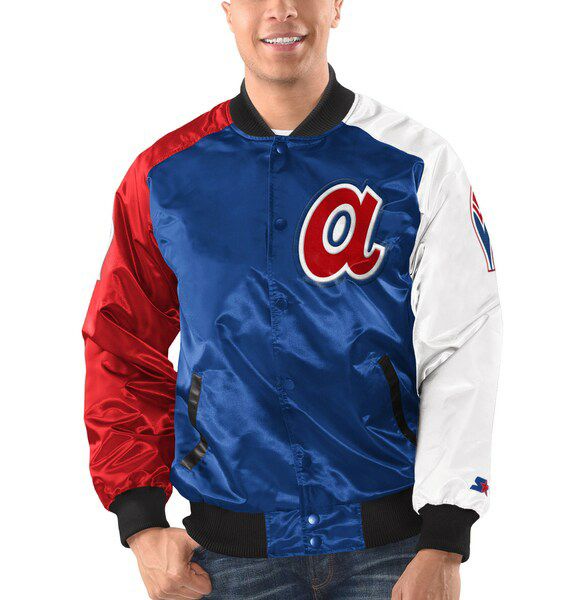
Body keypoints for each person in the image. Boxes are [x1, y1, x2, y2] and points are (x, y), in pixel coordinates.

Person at [82, 1, 502, 598]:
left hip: (394, 552)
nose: (281, 9)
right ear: (228, 8)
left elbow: (462, 344)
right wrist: (141, 519)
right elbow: (120, 342)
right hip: (225, 557)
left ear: (336, 6)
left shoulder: (416, 163)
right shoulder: (165, 175)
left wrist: (446, 535)